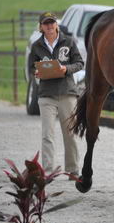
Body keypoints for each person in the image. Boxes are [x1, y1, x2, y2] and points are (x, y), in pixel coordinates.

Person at [28, 12, 84, 174]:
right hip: (46, 96)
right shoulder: (37, 46)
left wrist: (67, 69)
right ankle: (48, 171)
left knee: (70, 134)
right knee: (47, 135)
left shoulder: (68, 41)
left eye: (52, 23)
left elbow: (80, 63)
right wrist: (36, 72)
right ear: (41, 27)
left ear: (56, 25)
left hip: (67, 94)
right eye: (46, 24)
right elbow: (31, 67)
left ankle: (72, 170)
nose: (50, 26)